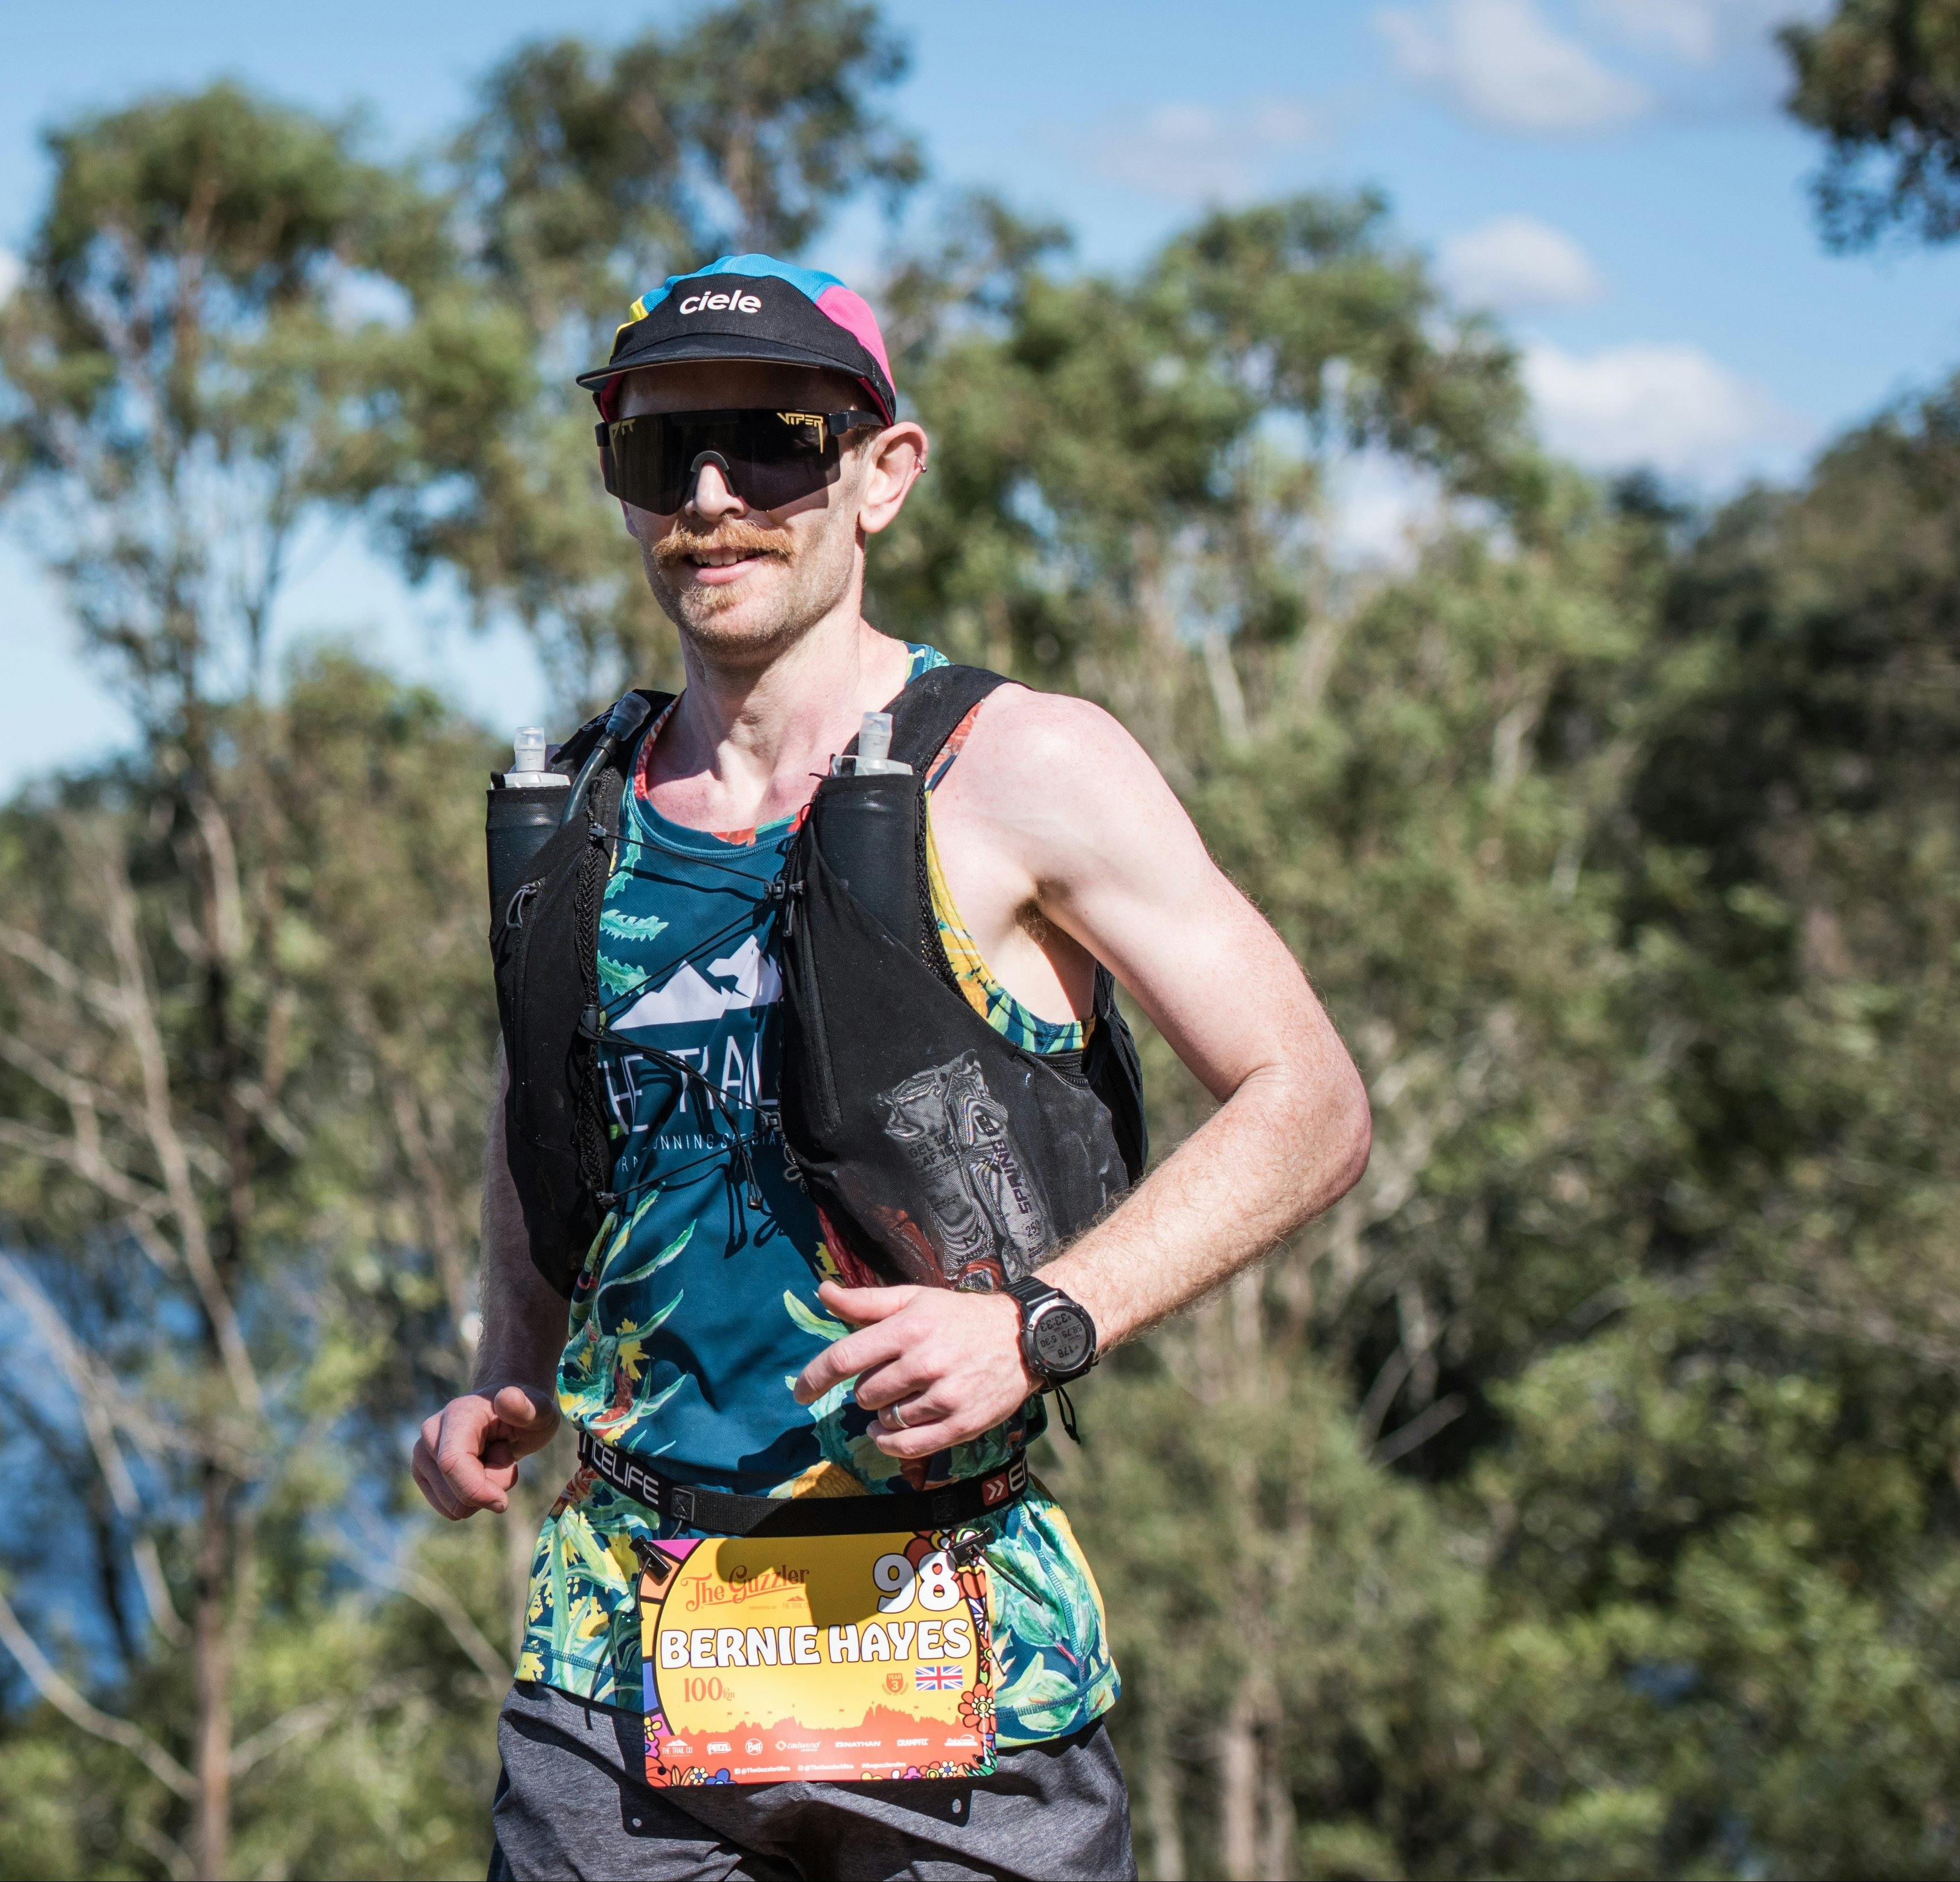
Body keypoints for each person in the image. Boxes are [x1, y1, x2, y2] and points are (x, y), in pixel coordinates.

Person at [410, 255, 1373, 1880]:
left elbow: (1312, 1102)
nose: (711, 499)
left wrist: (1043, 1322)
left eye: (772, 443)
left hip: (954, 1650)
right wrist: (508, 1360)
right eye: (661, 451)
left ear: (884, 472)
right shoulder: (577, 806)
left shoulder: (1019, 766)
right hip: (617, 1662)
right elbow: (542, 1109)